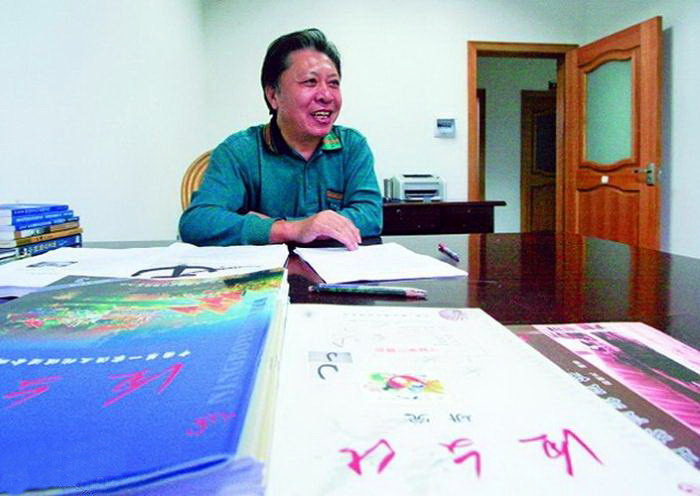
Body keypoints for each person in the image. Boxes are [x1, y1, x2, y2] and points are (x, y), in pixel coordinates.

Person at [179, 28, 382, 250]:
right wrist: (290, 229)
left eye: (333, 83)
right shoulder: (238, 152)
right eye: (310, 82)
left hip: (335, 269)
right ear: (273, 95)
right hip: (264, 270)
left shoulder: (352, 146)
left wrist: (271, 225)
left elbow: (371, 216)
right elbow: (197, 223)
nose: (326, 95)